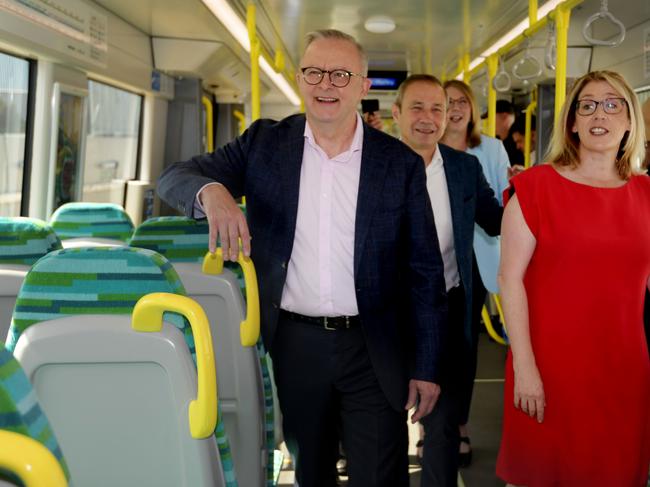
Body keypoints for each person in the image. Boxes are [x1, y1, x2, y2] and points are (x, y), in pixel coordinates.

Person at [157, 29, 448, 487]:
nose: (325, 84)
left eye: (340, 74)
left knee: (380, 475)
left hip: (375, 346)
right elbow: (174, 176)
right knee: (310, 472)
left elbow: (426, 273)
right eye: (314, 72)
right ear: (299, 78)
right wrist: (212, 193)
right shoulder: (265, 146)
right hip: (295, 343)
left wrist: (428, 366)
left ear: (362, 86)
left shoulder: (399, 165)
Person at [496, 70, 650, 486]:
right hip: (547, 368)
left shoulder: (647, 194)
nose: (600, 112)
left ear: (631, 120)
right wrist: (525, 368)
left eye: (613, 103)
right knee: (545, 473)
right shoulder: (534, 188)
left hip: (624, 372)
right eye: (588, 105)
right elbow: (509, 281)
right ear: (573, 122)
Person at [391, 74, 502, 486]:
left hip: (449, 311)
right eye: (417, 108)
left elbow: (496, 221)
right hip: (388, 314)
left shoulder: (463, 168)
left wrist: (543, 191)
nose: (429, 118)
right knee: (385, 424)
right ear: (397, 113)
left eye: (437, 108)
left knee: (442, 429)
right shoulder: (374, 165)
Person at [439, 78, 510, 467]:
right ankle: (431, 424)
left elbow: (500, 205)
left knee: (464, 348)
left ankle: (460, 425)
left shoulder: (491, 149)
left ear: (472, 108)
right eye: (446, 102)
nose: (454, 109)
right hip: (431, 262)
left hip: (476, 257)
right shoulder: (420, 150)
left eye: (461, 101)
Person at [493, 100, 524, 166]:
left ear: (504, 116)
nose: (490, 122)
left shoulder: (521, 141)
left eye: (492, 117)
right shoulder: (496, 142)